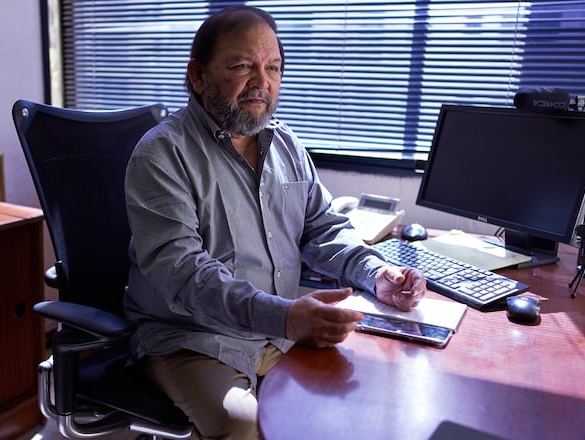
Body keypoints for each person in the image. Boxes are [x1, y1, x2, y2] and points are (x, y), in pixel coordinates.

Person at [123, 6, 426, 439]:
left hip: (279, 334)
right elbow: (184, 274)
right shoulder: (160, 154)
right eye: (242, 66)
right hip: (193, 339)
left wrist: (377, 274)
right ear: (197, 76)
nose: (261, 82)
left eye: (273, 67)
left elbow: (322, 227)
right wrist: (284, 318)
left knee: (359, 406)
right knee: (246, 425)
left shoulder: (286, 144)